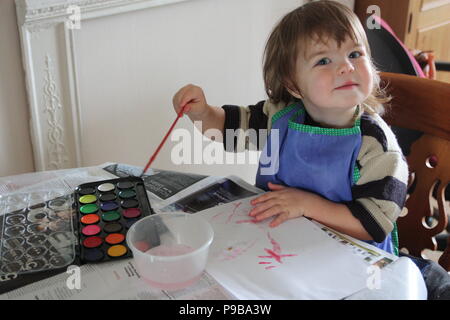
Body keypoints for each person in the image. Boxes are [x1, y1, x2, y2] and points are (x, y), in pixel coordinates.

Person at [172, 0, 449, 299]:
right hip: (283, 250)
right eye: (323, 61)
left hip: (353, 268)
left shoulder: (377, 146)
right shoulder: (280, 117)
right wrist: (202, 114)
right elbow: (228, 131)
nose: (346, 66)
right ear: (293, 85)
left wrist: (306, 205)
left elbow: (373, 223)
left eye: (355, 54)